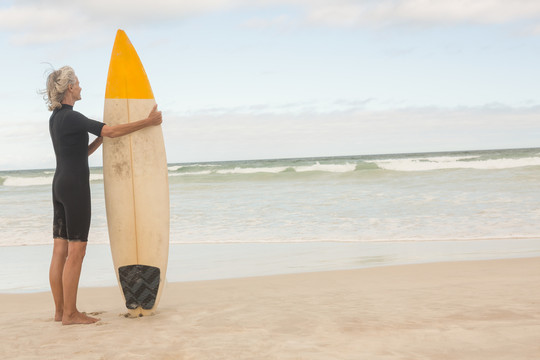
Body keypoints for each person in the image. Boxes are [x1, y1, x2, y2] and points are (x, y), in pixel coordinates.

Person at [43, 66, 162, 325]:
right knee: (77, 249)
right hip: (74, 187)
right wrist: (148, 122)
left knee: (59, 249)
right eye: (79, 84)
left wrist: (99, 142)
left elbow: (77, 153)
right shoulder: (74, 117)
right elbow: (110, 130)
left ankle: (60, 311)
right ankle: (71, 315)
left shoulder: (55, 119)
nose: (81, 87)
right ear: (70, 88)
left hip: (59, 184)